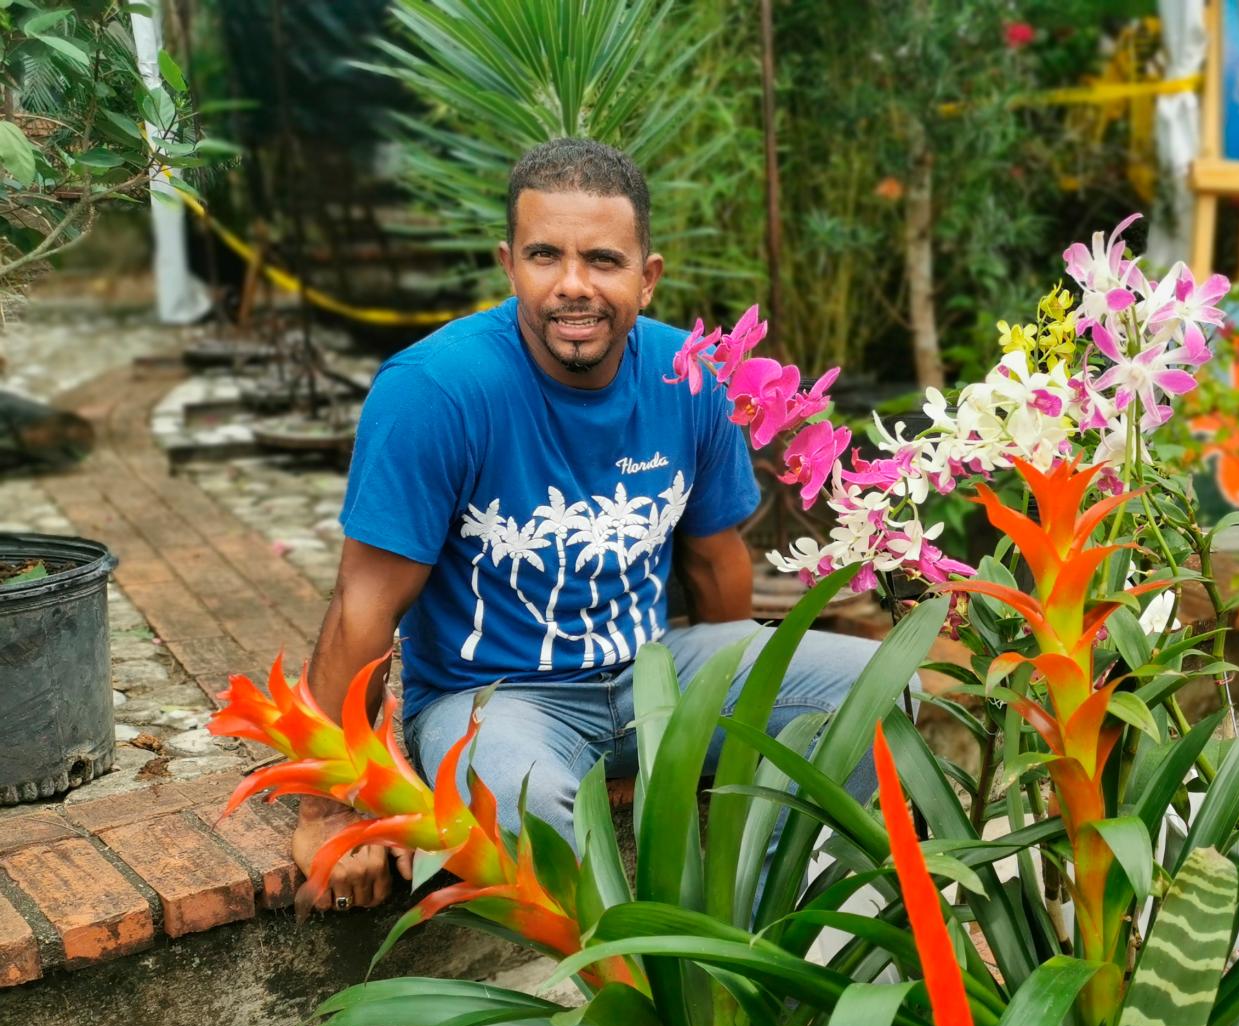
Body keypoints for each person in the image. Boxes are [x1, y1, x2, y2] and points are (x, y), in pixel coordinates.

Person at [291, 137, 879, 912]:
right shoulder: (435, 391)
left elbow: (713, 564)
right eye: (545, 256)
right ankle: (620, 999)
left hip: (653, 674)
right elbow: (363, 606)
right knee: (524, 797)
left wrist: (721, 740)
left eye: (603, 260)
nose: (574, 286)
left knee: (879, 692)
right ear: (510, 266)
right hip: (493, 700)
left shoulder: (688, 377)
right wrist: (331, 808)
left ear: (648, 276)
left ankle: (764, 935)